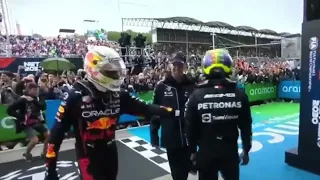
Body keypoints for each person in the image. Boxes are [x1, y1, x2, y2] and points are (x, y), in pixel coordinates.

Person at [44, 46, 176, 180]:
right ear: (94, 70)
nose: (116, 76)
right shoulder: (74, 96)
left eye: (117, 72)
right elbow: (56, 135)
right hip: (88, 156)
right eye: (110, 72)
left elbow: (145, 108)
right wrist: (50, 169)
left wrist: (171, 112)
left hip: (111, 152)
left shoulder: (119, 95)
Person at [184, 49, 252, 180]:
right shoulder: (240, 94)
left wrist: (192, 151)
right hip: (230, 153)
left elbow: (189, 128)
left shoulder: (196, 96)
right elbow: (246, 126)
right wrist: (246, 150)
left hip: (205, 152)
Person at [150, 52, 196, 180]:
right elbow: (155, 111)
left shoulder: (192, 85)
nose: (177, 68)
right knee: (177, 174)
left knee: (186, 170)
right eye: (174, 64)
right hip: (171, 137)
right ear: (170, 66)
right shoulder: (161, 86)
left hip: (189, 137)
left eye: (180, 65)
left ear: (185, 66)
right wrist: (154, 134)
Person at [7, 82, 48, 161]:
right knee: (35, 140)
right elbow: (9, 110)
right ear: (29, 90)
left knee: (48, 135)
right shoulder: (22, 99)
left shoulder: (39, 97)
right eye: (34, 90)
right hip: (26, 123)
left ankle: (44, 152)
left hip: (36, 121)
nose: (36, 91)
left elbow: (43, 107)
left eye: (37, 90)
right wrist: (21, 117)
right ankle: (27, 153)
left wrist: (33, 101)